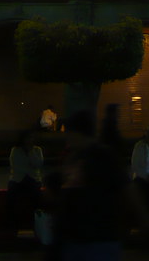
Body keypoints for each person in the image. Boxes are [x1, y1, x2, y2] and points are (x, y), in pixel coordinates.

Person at [58, 109, 128, 261]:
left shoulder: (93, 157)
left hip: (94, 237)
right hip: (91, 237)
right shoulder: (85, 156)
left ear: (76, 133)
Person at [7, 129, 44, 229]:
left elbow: (38, 164)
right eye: (28, 138)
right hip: (18, 178)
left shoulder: (37, 150)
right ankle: (12, 223)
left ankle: (37, 221)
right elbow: (15, 165)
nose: (30, 140)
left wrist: (30, 151)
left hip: (33, 179)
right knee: (11, 195)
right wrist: (28, 169)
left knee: (36, 196)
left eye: (31, 138)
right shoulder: (15, 150)